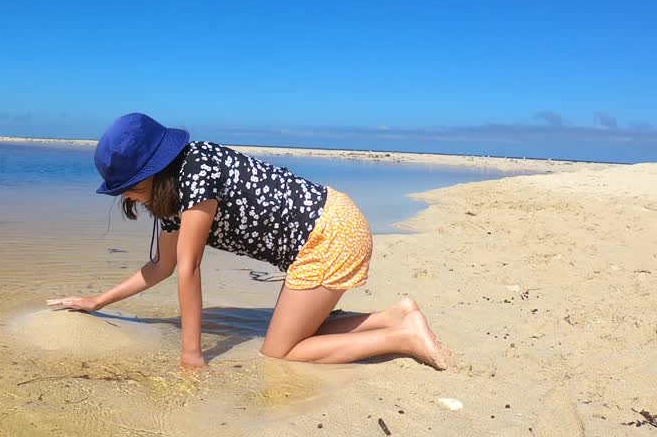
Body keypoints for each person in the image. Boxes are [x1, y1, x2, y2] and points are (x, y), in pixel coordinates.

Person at [47, 113, 448, 371]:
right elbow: (162, 267)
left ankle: (402, 338)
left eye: (128, 188)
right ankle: (397, 315)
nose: (126, 198)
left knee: (281, 352)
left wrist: (192, 354)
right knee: (293, 335)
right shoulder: (171, 195)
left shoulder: (197, 171)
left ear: (154, 171)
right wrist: (96, 302)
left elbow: (188, 268)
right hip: (329, 226)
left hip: (330, 235)